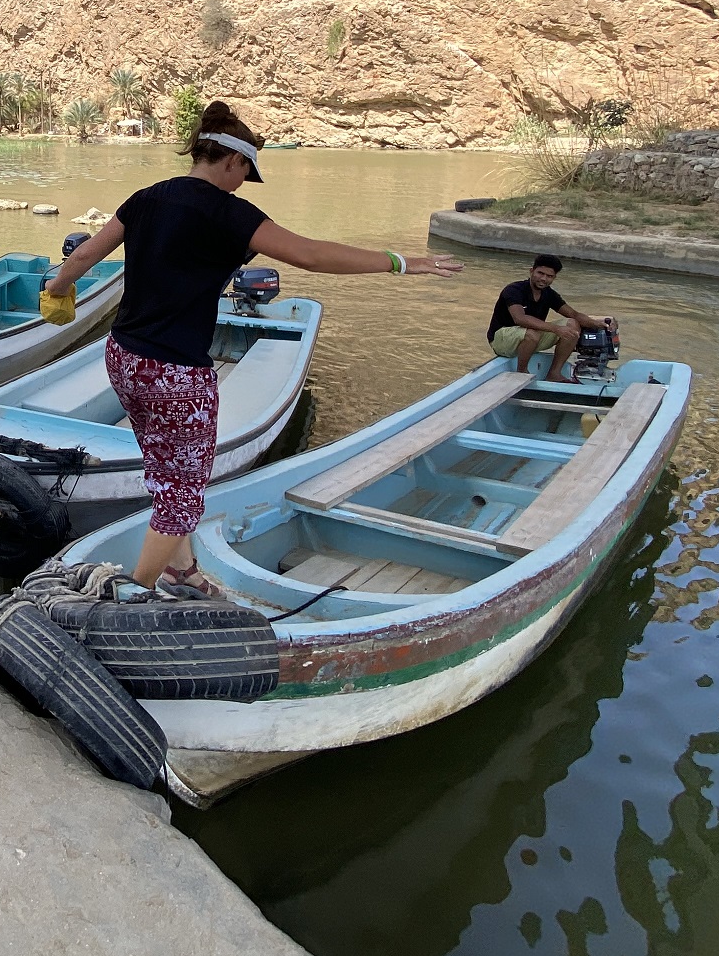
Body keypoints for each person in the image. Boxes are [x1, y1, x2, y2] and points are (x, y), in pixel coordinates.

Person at [43, 101, 462, 594]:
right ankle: (130, 595)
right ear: (232, 161)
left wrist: (55, 293)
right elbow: (310, 253)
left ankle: (182, 570)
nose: (243, 182)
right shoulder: (230, 212)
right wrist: (400, 262)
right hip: (177, 376)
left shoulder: (146, 197)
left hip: (124, 357)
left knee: (163, 466)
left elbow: (88, 253)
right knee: (183, 498)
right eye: (246, 171)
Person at [487, 253, 616, 383]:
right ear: (531, 271)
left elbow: (574, 314)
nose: (543, 279)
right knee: (532, 334)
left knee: (572, 324)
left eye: (549, 276)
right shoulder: (514, 289)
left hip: (530, 338)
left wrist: (600, 324)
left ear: (554, 278)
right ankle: (521, 372)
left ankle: (554, 373)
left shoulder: (549, 294)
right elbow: (519, 318)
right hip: (501, 339)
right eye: (540, 273)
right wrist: (555, 329)